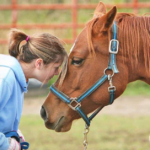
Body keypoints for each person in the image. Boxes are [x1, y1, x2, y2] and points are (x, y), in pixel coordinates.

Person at [0, 29, 68, 150]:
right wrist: (7, 144)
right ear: (39, 63)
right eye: (56, 67)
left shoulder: (18, 79)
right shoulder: (5, 78)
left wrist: (14, 133)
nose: (57, 73)